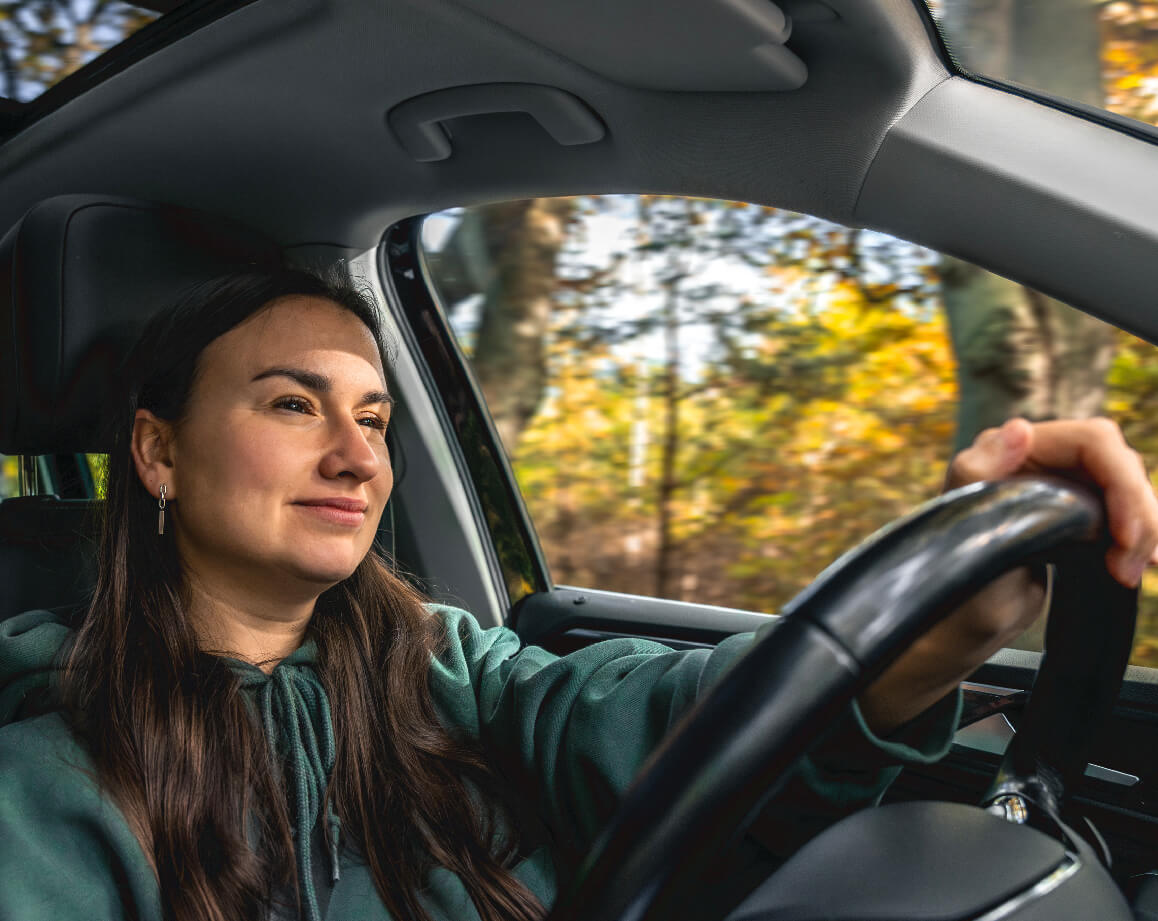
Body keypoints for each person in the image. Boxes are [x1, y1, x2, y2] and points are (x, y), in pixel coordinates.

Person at [0, 269, 1154, 921]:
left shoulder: (450, 665)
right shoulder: (46, 786)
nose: (357, 457)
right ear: (156, 454)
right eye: (294, 406)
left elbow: (667, 714)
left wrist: (942, 624)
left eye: (374, 418)